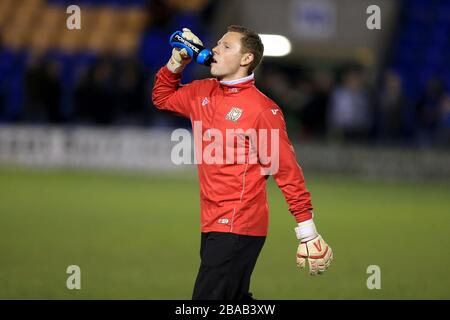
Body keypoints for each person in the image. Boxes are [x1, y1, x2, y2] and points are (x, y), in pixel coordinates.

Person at [152, 26, 333, 300]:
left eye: (226, 46)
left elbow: (286, 170)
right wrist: (175, 65)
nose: (214, 49)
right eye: (217, 44)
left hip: (239, 223)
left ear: (246, 59)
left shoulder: (262, 110)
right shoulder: (202, 91)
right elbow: (162, 98)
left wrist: (306, 231)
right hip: (213, 222)